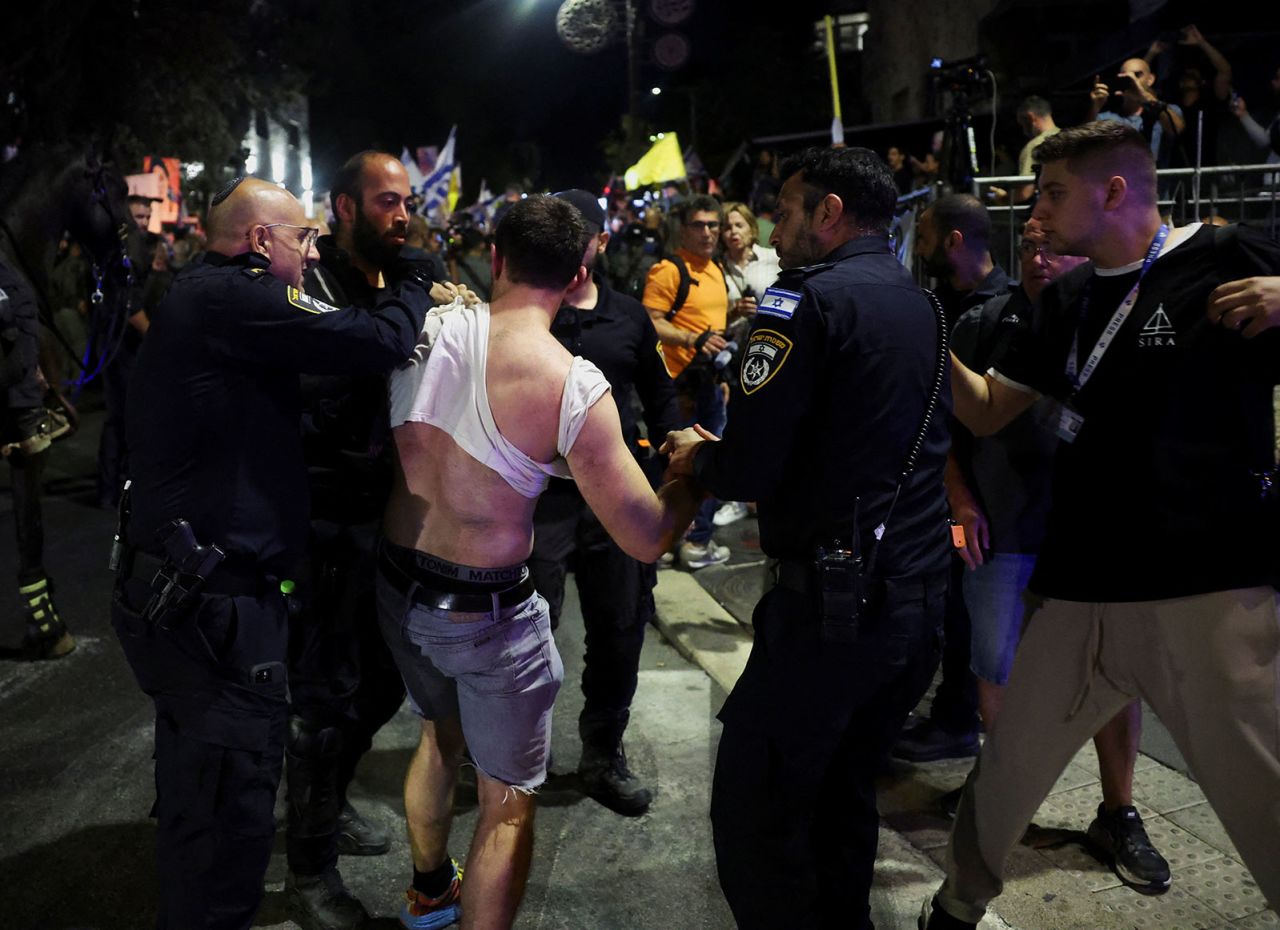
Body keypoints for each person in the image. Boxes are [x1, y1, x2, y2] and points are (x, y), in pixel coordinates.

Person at [920, 120, 1280, 929]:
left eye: (1051, 192)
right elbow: (985, 413)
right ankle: (952, 909)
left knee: (1263, 789)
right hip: (1077, 585)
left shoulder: (1227, 257)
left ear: (1113, 190)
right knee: (1006, 767)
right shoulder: (1070, 298)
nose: (1036, 212)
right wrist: (924, 337)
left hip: (1208, 585)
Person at [109, 176, 436, 930]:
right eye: (304, 238)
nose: (313, 251)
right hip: (215, 607)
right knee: (231, 813)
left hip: (189, 594)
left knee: (200, 797)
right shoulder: (236, 296)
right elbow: (373, 339)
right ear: (262, 241)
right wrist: (416, 280)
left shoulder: (209, 301)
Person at [377, 194, 701, 930]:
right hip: (485, 613)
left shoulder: (424, 328)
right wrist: (692, 475)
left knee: (435, 736)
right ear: (582, 265)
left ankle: (429, 893)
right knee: (505, 809)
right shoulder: (571, 384)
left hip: (398, 589)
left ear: (495, 258)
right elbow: (647, 536)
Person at [663, 145, 952, 930]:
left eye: (785, 211)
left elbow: (752, 459)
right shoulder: (920, 303)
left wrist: (700, 456)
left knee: (760, 813)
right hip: (915, 602)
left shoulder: (801, 302)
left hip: (833, 610)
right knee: (844, 799)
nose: (772, 228)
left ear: (829, 213)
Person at [946, 217, 1169, 889]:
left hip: (1099, 536)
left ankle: (1120, 812)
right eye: (1031, 245)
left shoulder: (1131, 316)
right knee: (997, 670)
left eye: (1056, 244)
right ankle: (1007, 799)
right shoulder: (984, 320)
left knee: (1115, 677)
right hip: (1001, 534)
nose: (1041, 256)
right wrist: (958, 507)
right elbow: (940, 432)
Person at [285, 149, 450, 930]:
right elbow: (360, 355)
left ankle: (330, 797)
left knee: (383, 683)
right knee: (323, 695)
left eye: (407, 201)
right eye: (387, 201)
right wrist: (420, 293)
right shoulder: (304, 286)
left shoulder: (393, 278)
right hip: (319, 523)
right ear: (344, 208)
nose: (403, 213)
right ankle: (308, 869)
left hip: (384, 520)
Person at [526, 188, 682, 816]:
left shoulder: (628, 316)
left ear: (600, 242)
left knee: (619, 628)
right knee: (526, 630)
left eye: (580, 235)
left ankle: (602, 755)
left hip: (615, 497)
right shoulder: (527, 316)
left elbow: (659, 391)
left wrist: (680, 448)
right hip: (540, 499)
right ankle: (516, 758)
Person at [895, 193, 1010, 765]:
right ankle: (950, 716)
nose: (918, 246)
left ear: (955, 240)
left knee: (974, 627)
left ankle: (963, 726)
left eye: (925, 234)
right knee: (943, 615)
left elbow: (978, 415)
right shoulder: (935, 303)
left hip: (982, 498)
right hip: (938, 492)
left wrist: (961, 493)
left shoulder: (1007, 309)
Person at [642, 194, 732, 570]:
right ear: (684, 228)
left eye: (714, 225)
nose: (708, 232)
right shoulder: (669, 270)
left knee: (708, 466)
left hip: (710, 385)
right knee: (674, 466)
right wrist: (690, 339)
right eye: (699, 224)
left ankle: (694, 543)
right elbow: (650, 321)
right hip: (677, 388)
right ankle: (659, 543)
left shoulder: (716, 270)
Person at [1088, 58, 1185, 167]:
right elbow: (1087, 145)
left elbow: (1177, 129)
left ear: (1150, 79)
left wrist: (1147, 99)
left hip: (1157, 181)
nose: (1132, 80)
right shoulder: (1106, 118)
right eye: (1126, 76)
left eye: (1137, 75)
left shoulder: (1166, 110)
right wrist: (1095, 107)